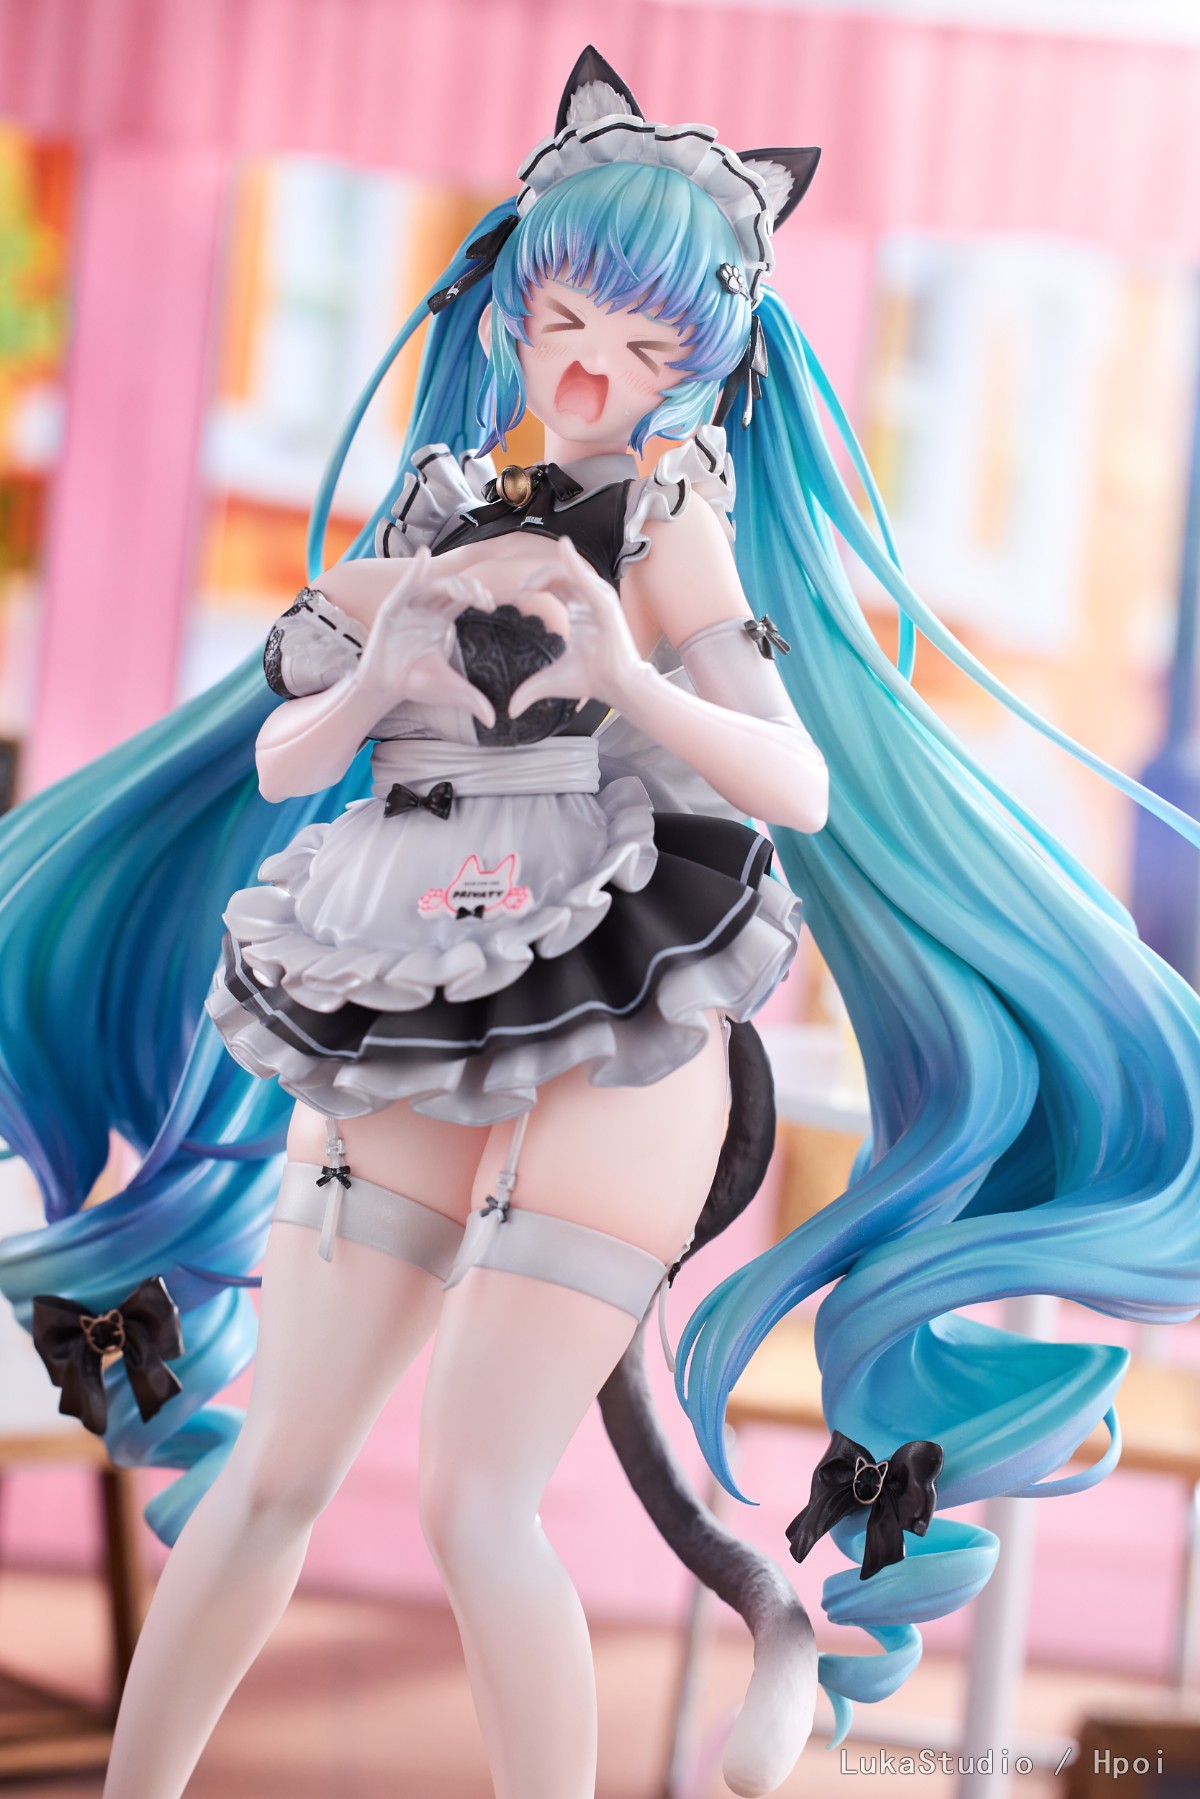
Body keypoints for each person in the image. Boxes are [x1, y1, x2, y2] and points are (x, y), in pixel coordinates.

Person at [4, 43, 1200, 1799]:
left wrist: (631, 671)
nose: (589, 370)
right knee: (275, 1476)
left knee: (475, 1501)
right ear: (513, 308)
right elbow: (281, 752)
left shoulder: (670, 523)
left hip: (624, 996)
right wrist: (373, 675)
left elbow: (795, 785)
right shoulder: (431, 515)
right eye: (566, 320)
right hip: (408, 969)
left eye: (644, 349)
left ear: (701, 365)